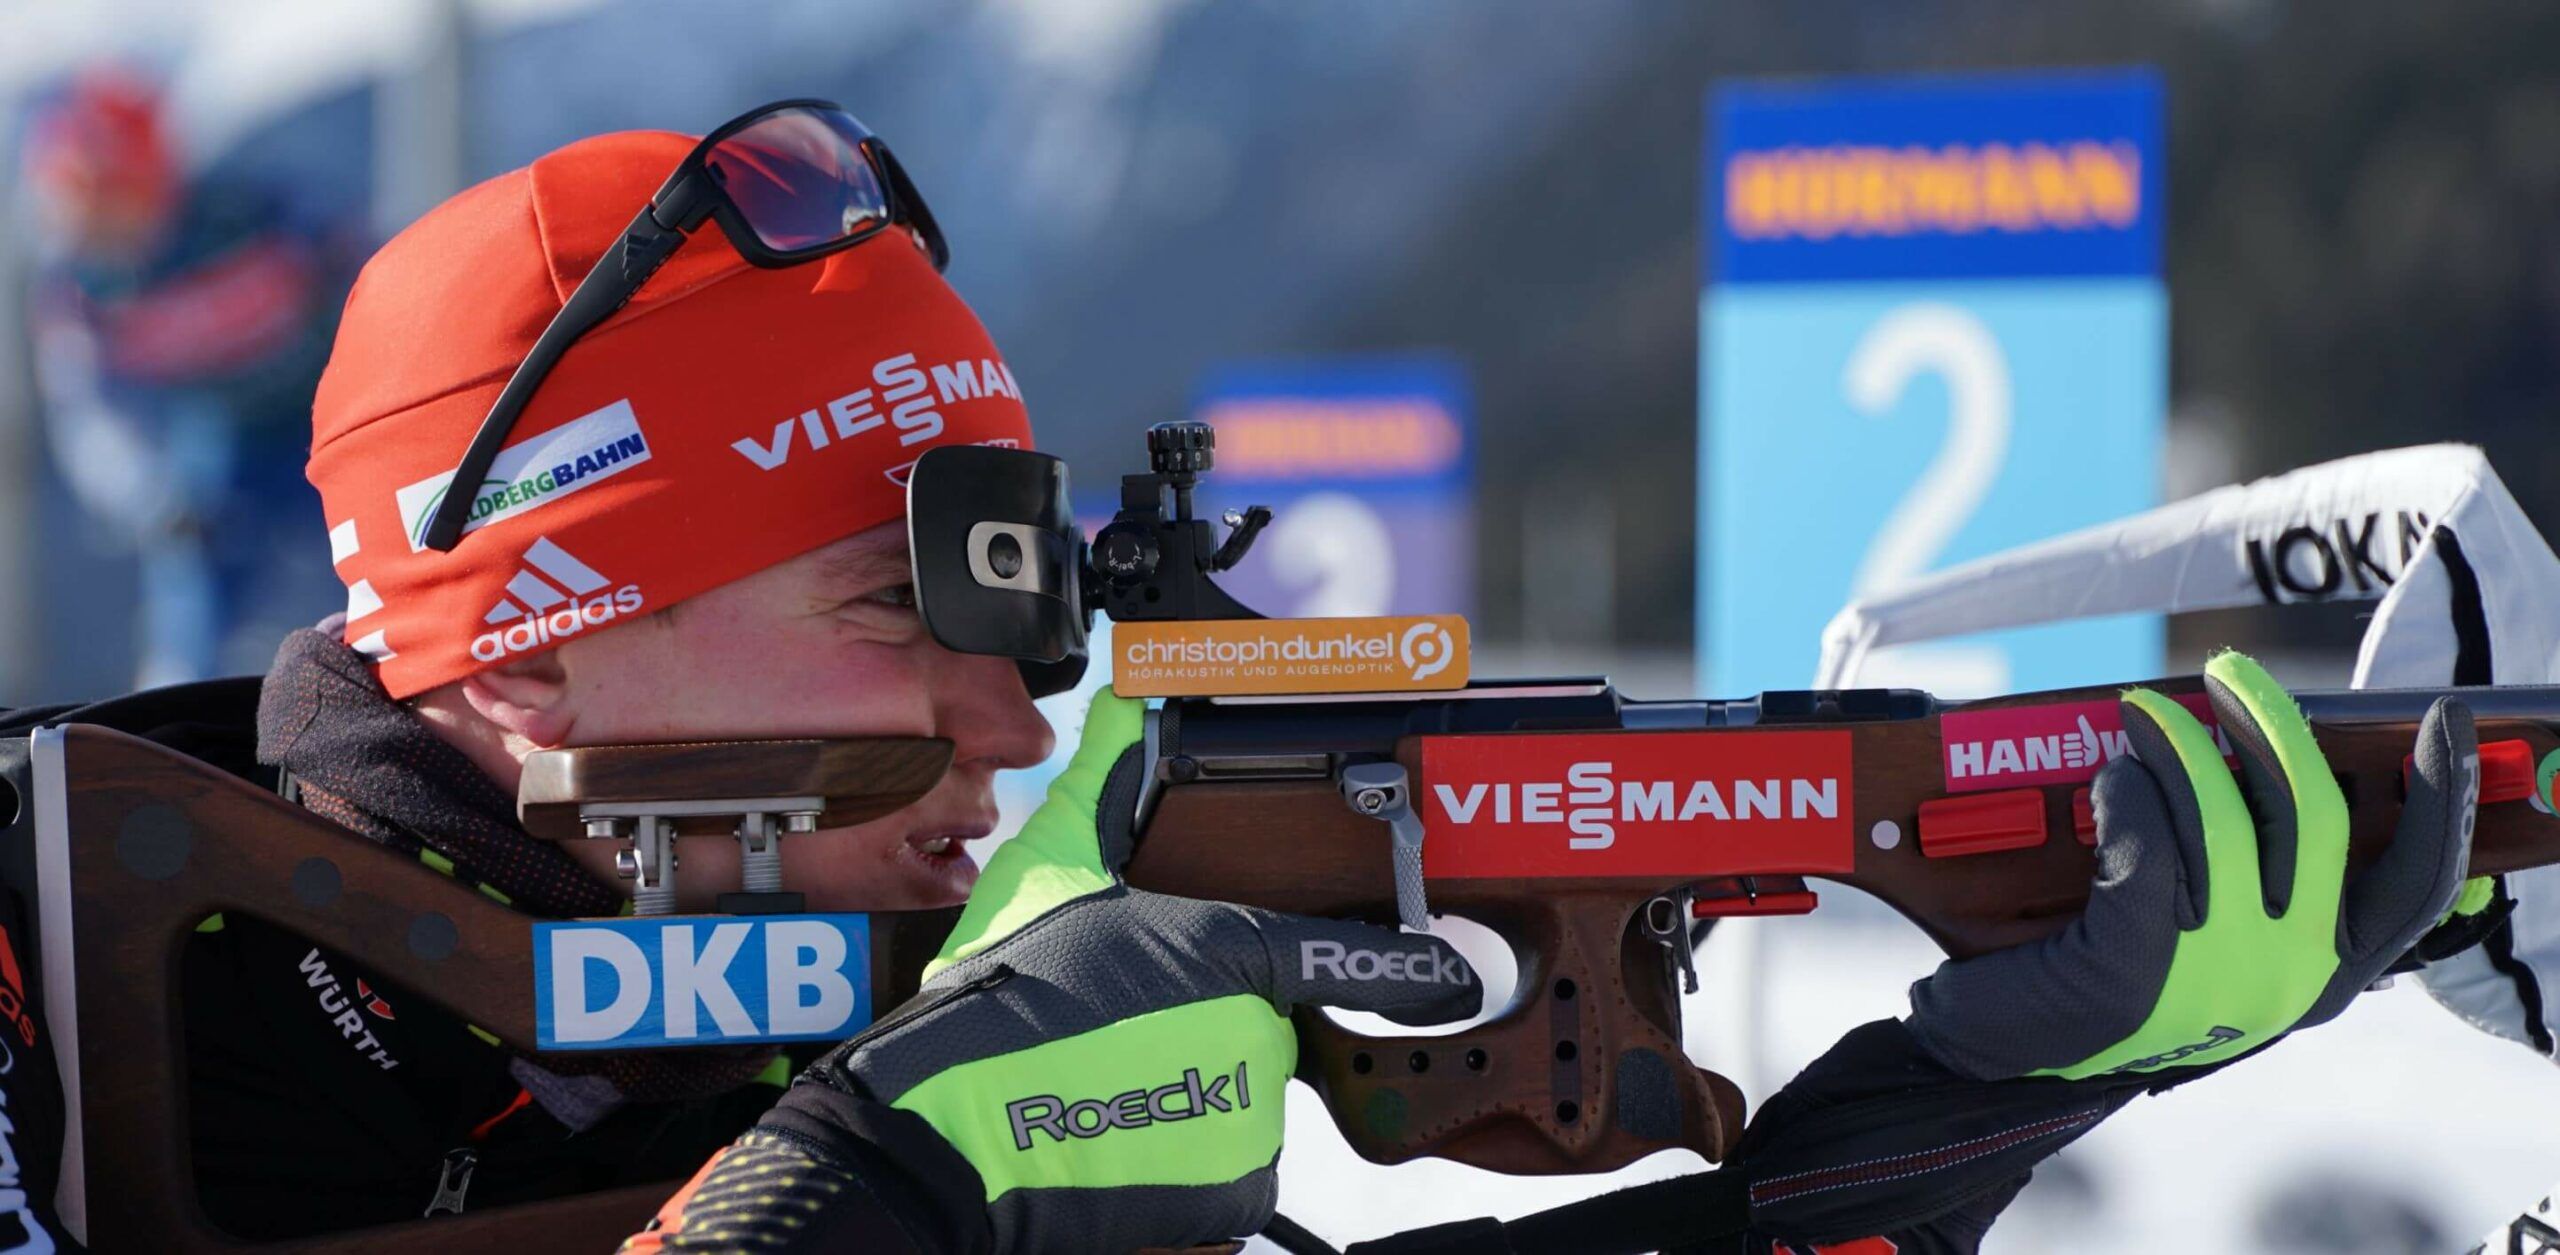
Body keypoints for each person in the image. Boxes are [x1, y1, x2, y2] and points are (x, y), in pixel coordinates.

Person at [0, 101, 2489, 1255]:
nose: (1005, 723)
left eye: (1018, 624)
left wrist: (1925, 1128)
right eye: (897, 608)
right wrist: (862, 1186)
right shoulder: (46, 1012)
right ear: (541, 626)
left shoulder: (749, 1012)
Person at [21, 67, 355, 686]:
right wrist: (152, 497)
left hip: (335, 417)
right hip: (222, 442)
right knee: (191, 584)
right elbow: (94, 417)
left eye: (113, 193)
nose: (96, 220)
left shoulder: (254, 215)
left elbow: (365, 267)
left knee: (361, 570)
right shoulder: (76, 293)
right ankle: (176, 705)